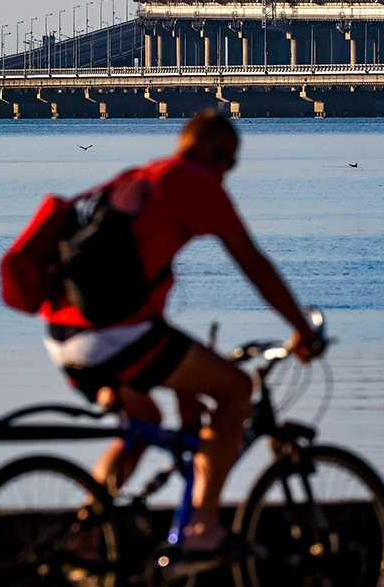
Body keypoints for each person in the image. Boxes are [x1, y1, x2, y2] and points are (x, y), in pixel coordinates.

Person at [39, 109, 319, 553]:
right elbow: (254, 264)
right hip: (114, 335)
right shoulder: (193, 183)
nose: (230, 173)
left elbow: (140, 299)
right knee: (236, 389)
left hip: (64, 334)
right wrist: (303, 329)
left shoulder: (145, 179)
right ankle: (202, 531)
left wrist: (188, 393)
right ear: (218, 153)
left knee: (146, 419)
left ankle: (85, 538)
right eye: (231, 162)